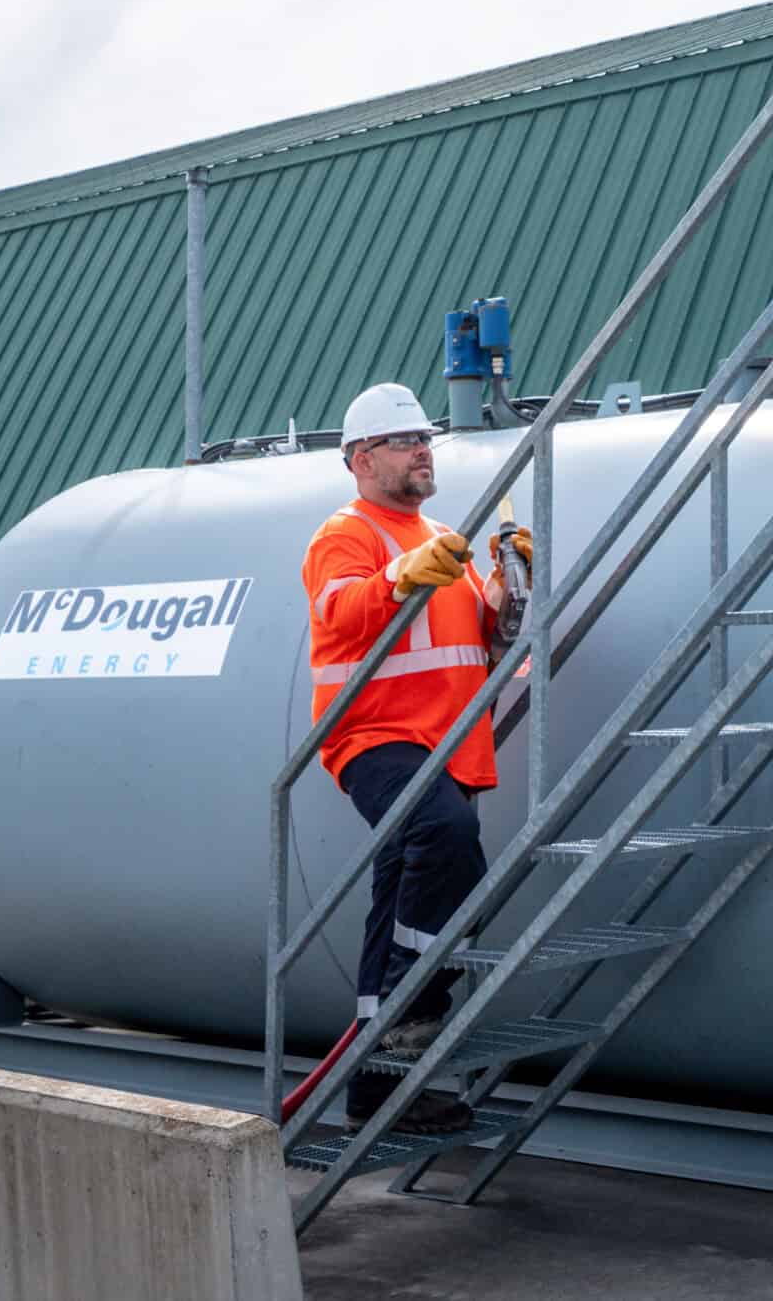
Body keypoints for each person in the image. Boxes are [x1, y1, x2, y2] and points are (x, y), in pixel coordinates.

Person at [301, 380, 533, 1134]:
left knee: (400, 886)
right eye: (405, 442)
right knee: (448, 840)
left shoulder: (444, 542)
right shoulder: (348, 532)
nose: (422, 451)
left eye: (426, 440)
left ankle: (378, 1080)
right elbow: (339, 610)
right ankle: (412, 1005)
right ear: (361, 459)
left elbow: (481, 645)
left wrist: (505, 595)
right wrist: (401, 575)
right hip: (375, 737)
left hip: (448, 743)